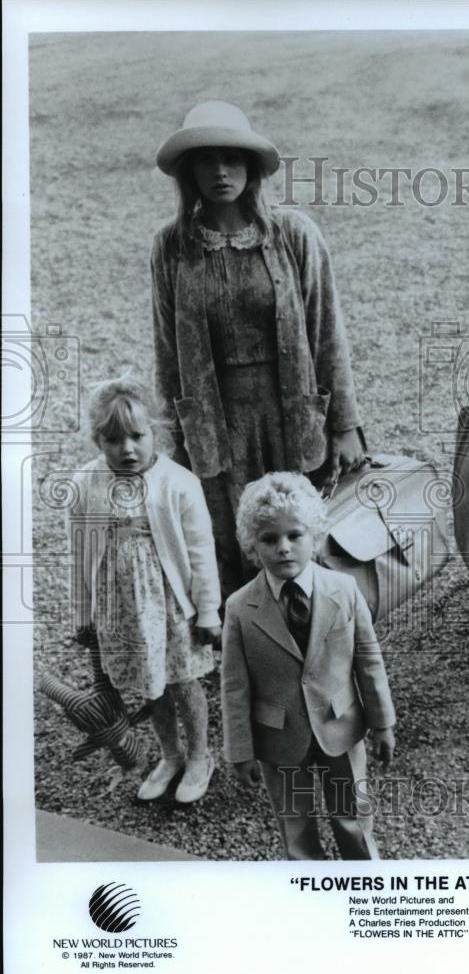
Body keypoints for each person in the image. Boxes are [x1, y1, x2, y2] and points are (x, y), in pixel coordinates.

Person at [152, 101, 365, 601]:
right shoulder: (171, 246)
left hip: (292, 413)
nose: (221, 172)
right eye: (206, 160)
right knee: (231, 543)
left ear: (251, 168)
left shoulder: (294, 234)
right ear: (189, 171)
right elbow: (166, 349)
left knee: (299, 535)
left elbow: (326, 329)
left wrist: (346, 425)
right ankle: (247, 653)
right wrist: (171, 440)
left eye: (232, 158)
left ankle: (315, 644)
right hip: (215, 421)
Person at [221, 472, 396, 860]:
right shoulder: (239, 609)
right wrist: (240, 749)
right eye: (269, 539)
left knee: (353, 813)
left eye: (294, 536)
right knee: (294, 822)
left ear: (314, 536)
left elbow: (368, 660)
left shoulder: (344, 590)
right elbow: (234, 687)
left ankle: (365, 881)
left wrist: (383, 723)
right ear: (253, 545)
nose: (283, 548)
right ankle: (308, 886)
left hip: (341, 723)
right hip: (278, 736)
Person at [69, 372, 221, 803]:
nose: (128, 449)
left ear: (156, 430)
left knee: (183, 680)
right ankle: (169, 755)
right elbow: (79, 552)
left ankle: (198, 756)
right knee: (150, 683)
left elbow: (200, 550)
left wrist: (208, 611)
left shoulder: (178, 483)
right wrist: (83, 614)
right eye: (114, 440)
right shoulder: (86, 484)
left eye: (138, 436)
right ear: (99, 440)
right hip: (123, 608)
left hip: (171, 605)